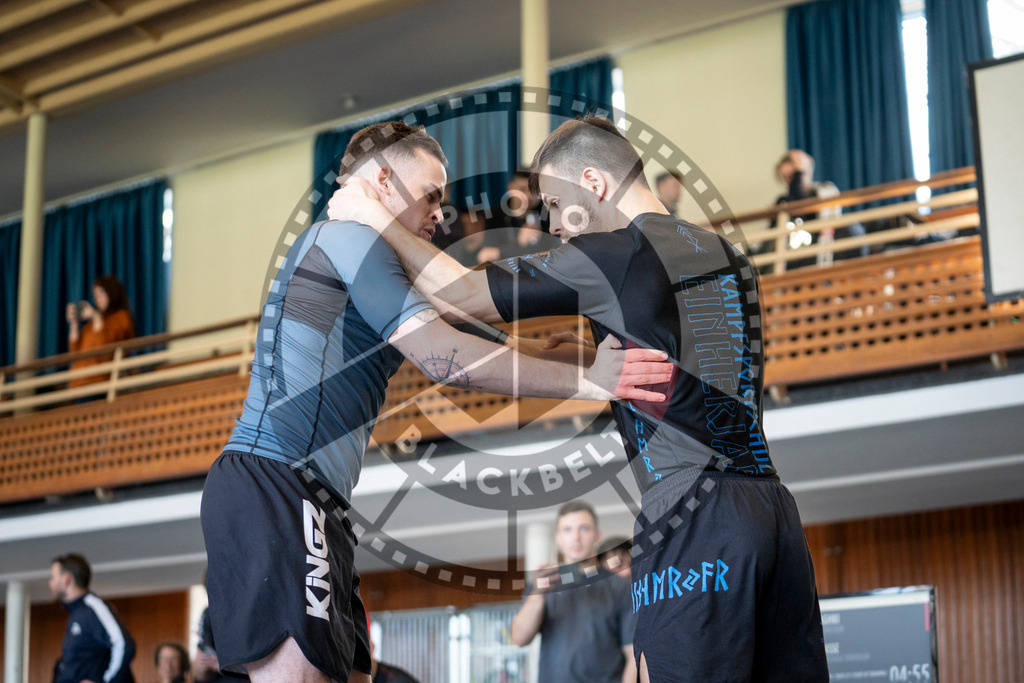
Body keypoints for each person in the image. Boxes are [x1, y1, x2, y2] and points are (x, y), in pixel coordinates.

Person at [327, 115, 829, 682]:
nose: (553, 227)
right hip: (773, 512)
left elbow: (464, 295)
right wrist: (585, 356)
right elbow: (672, 364)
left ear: (592, 182)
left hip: (691, 512)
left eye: (553, 204)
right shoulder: (727, 256)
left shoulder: (617, 253)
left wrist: (366, 215)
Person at [200, 121, 673, 683]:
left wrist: (576, 358)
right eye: (430, 195)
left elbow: (469, 313)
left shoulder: (379, 257)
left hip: (317, 500)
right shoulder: (344, 238)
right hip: (274, 482)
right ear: (380, 181)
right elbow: (441, 355)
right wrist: (589, 381)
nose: (440, 215)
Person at [511, 501, 636, 683]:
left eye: (584, 528)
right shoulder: (542, 584)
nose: (576, 537)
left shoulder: (619, 586)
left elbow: (632, 654)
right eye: (567, 530)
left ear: (597, 535)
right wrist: (538, 593)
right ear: (558, 538)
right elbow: (519, 639)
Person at [50, 553, 137, 683]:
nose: (50, 583)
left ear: (66, 578)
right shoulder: (76, 612)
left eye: (53, 577)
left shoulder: (92, 607)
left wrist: (105, 680)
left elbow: (123, 644)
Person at [473, 170, 559, 264]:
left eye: (533, 191)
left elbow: (555, 250)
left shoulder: (548, 212)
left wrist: (501, 252)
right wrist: (519, 244)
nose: (528, 196)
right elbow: (485, 255)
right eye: (522, 189)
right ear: (511, 188)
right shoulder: (495, 214)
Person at [65, 274, 136, 389]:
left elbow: (104, 348)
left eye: (101, 293)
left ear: (111, 292)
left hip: (100, 381)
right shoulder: (90, 326)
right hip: (79, 382)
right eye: (95, 295)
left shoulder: (121, 319)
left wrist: (96, 317)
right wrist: (74, 324)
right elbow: (74, 352)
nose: (98, 299)